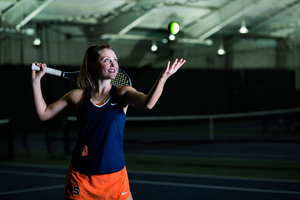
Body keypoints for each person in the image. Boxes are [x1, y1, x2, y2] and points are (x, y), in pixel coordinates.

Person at [32, 43, 186, 200]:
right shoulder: (77, 96)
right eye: (107, 60)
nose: (114, 64)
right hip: (82, 178)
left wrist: (162, 78)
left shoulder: (122, 92)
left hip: (115, 177)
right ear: (93, 65)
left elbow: (148, 103)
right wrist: (36, 82)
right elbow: (44, 114)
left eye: (115, 59)